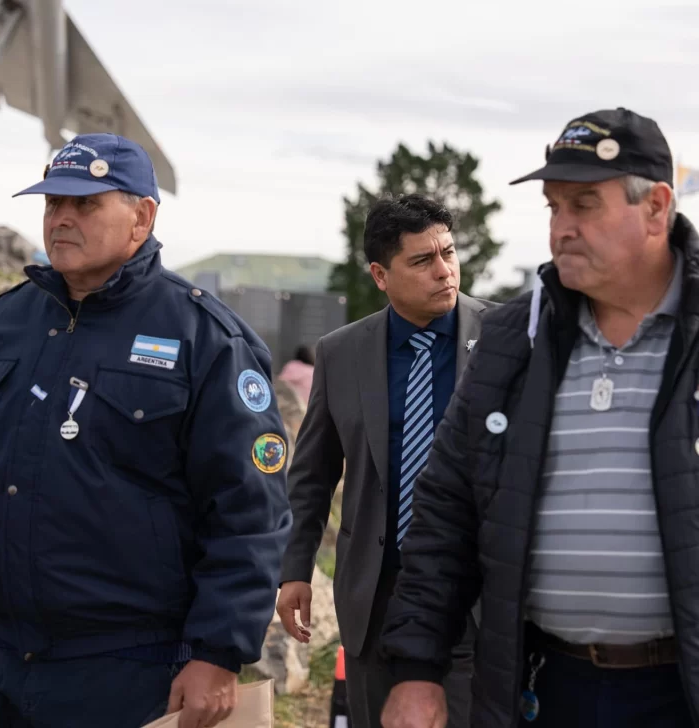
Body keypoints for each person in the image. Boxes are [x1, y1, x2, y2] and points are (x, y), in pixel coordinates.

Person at [379, 108, 699, 728]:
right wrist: (417, 669)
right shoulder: (511, 342)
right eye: (554, 208)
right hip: (547, 690)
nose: (563, 228)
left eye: (585, 205)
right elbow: (447, 514)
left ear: (657, 207)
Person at [0, 133, 292, 728]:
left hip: (131, 667)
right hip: (2, 661)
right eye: (52, 203)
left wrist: (219, 652)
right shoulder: (1, 324)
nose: (62, 218)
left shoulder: (204, 338)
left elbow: (249, 509)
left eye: (86, 204)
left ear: (142, 217)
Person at [275, 193, 497, 728]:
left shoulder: (505, 339)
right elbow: (312, 474)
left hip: (478, 593)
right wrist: (295, 569)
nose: (444, 271)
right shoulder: (341, 352)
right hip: (377, 594)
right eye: (422, 260)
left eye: (448, 252)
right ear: (380, 274)